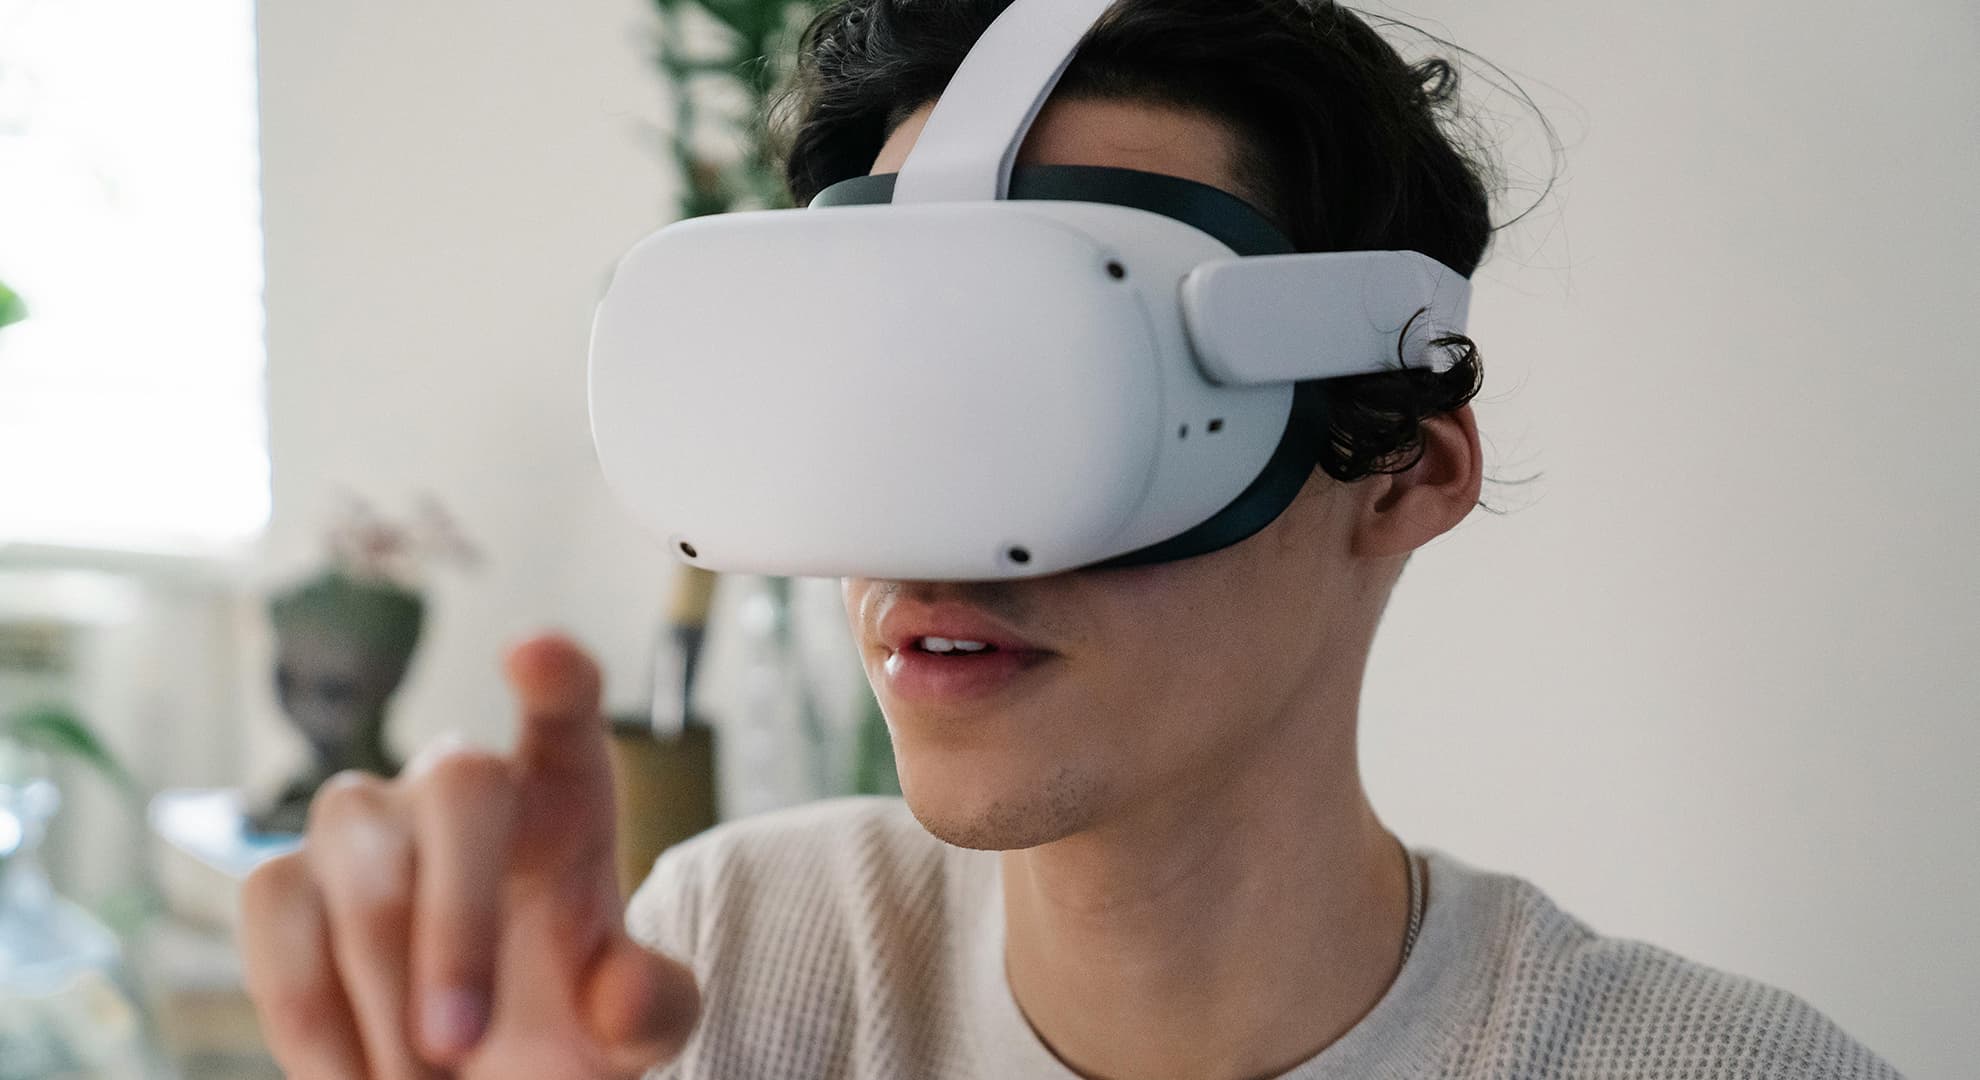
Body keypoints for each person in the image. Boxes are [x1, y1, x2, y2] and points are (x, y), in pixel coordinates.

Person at [239, 1, 1904, 1077]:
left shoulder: (1694, 1066)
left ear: (1401, 471)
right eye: (880, 400)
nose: (933, 536)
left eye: (1050, 397)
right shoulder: (734, 967)